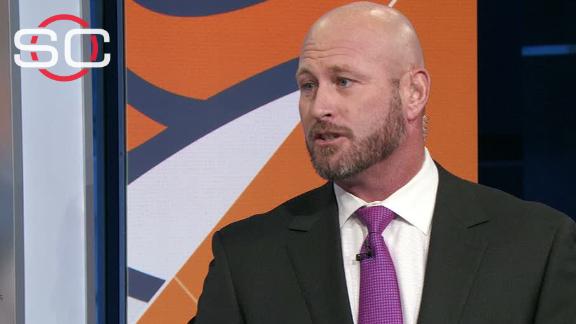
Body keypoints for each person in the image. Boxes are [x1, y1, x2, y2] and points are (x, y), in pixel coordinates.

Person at [191, 2, 576, 324]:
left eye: (343, 81)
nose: (319, 107)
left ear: (414, 92)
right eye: (308, 85)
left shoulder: (538, 245)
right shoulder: (247, 258)